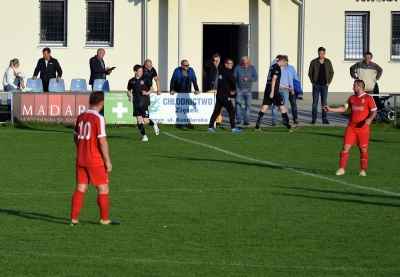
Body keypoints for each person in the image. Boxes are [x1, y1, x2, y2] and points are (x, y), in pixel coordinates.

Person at [71, 91, 119, 226]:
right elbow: (102, 141)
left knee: (81, 188)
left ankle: (74, 219)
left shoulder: (81, 116)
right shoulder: (98, 118)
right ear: (102, 103)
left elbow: (75, 136)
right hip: (94, 159)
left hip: (81, 158)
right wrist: (107, 160)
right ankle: (104, 219)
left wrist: (82, 148)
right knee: (103, 189)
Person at [323, 80, 377, 177]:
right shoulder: (351, 98)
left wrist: (370, 119)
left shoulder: (368, 98)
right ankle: (341, 168)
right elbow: (344, 108)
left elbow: (374, 111)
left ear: (360, 87)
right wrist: (330, 109)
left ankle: (362, 170)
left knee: (363, 149)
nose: (353, 87)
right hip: (351, 128)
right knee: (345, 147)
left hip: (363, 129)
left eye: (354, 86)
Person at [254, 55, 299, 133]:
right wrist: (272, 91)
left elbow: (274, 81)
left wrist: (284, 87)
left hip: (267, 89)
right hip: (274, 90)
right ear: (282, 61)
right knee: (283, 108)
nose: (285, 65)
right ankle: (289, 127)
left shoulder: (272, 67)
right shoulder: (277, 67)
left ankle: (257, 127)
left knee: (264, 108)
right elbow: (274, 79)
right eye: (285, 63)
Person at [208, 58, 242, 133]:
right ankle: (233, 128)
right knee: (232, 111)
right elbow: (232, 82)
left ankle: (210, 128)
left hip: (219, 93)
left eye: (232, 64)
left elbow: (224, 83)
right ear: (225, 64)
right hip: (224, 94)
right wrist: (233, 90)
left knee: (216, 111)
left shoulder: (221, 71)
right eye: (229, 64)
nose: (231, 65)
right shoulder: (227, 72)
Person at [127, 64, 159, 141]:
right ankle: (144, 136)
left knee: (145, 120)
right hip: (136, 103)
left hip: (144, 102)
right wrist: (129, 96)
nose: (141, 72)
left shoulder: (145, 79)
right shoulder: (131, 81)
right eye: (140, 71)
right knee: (138, 120)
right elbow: (128, 91)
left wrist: (146, 93)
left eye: (142, 71)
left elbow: (152, 89)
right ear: (135, 71)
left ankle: (153, 124)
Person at [308, 47, 334, 124]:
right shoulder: (313, 62)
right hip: (316, 85)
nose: (320, 55)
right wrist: (312, 81)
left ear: (324, 53)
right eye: (319, 53)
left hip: (324, 85)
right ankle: (314, 118)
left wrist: (328, 82)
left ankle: (324, 118)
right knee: (315, 102)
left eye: (322, 53)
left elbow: (331, 72)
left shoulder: (328, 62)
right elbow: (310, 73)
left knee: (324, 102)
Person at [270, 56, 298, 126]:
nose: (285, 63)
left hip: (285, 90)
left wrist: (292, 89)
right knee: (275, 105)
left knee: (285, 105)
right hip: (277, 89)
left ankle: (285, 120)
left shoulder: (288, 70)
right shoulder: (275, 68)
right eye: (284, 61)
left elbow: (290, 80)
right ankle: (274, 120)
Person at [233, 56, 258, 126]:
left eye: (246, 63)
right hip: (239, 90)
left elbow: (256, 78)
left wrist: (249, 79)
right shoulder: (237, 67)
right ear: (242, 62)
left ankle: (246, 120)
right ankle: (238, 120)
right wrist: (235, 87)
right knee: (238, 106)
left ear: (249, 62)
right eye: (244, 63)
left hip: (248, 90)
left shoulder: (252, 68)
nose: (245, 65)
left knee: (248, 106)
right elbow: (233, 78)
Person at [204, 53, 223, 124]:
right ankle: (209, 119)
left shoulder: (221, 68)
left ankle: (218, 121)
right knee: (210, 105)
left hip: (219, 89)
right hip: (210, 88)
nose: (216, 62)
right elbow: (206, 64)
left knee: (219, 106)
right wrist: (212, 59)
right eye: (215, 60)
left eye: (218, 60)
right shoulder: (210, 67)